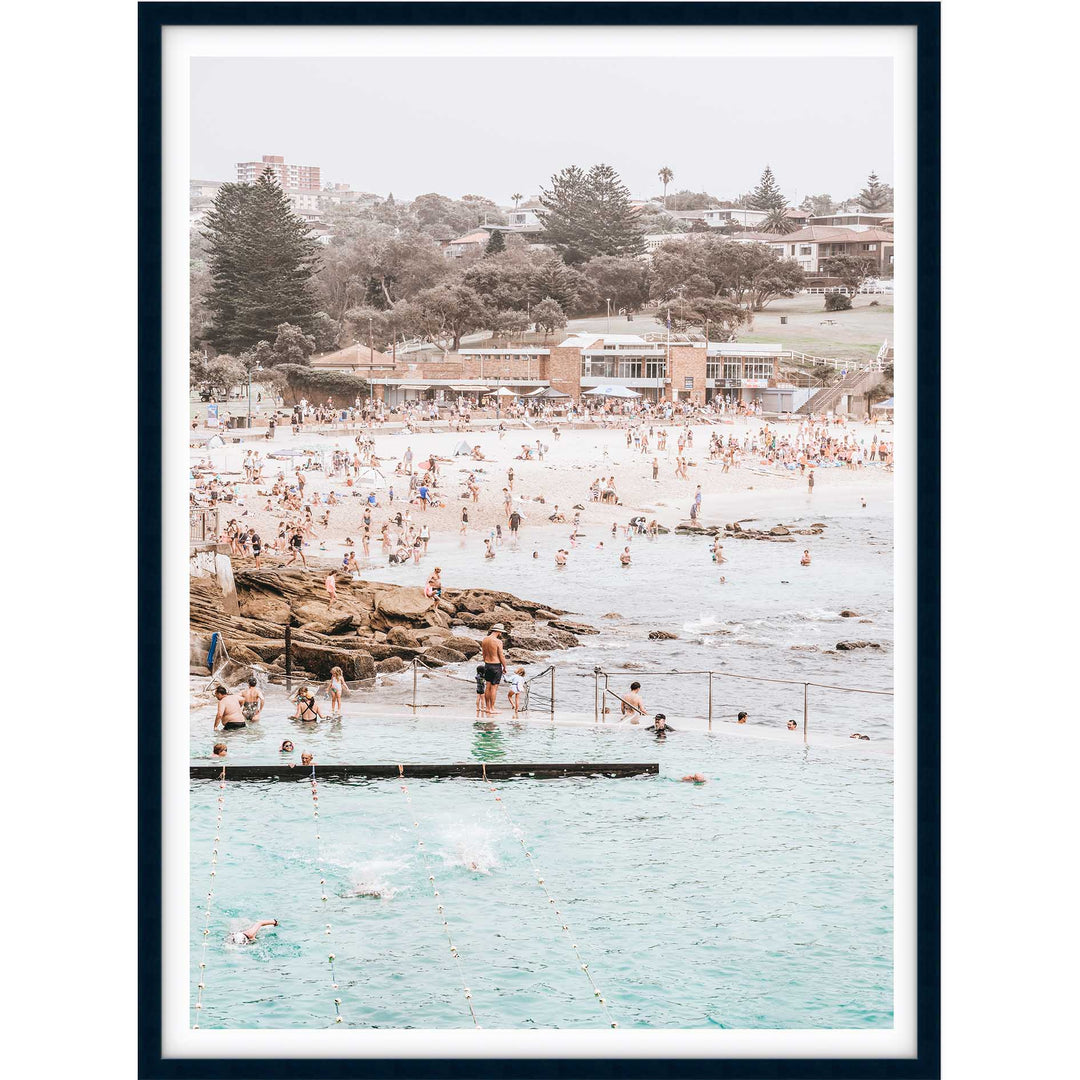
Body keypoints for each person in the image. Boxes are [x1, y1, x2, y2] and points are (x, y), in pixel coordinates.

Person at [480, 625, 508, 716]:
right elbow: (501, 655)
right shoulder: (498, 641)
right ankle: (492, 708)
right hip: (496, 665)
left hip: (487, 665)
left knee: (487, 687)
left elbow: (483, 654)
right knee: (494, 688)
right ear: (499, 632)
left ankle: (487, 708)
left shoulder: (485, 639)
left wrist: (486, 662)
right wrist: (505, 667)